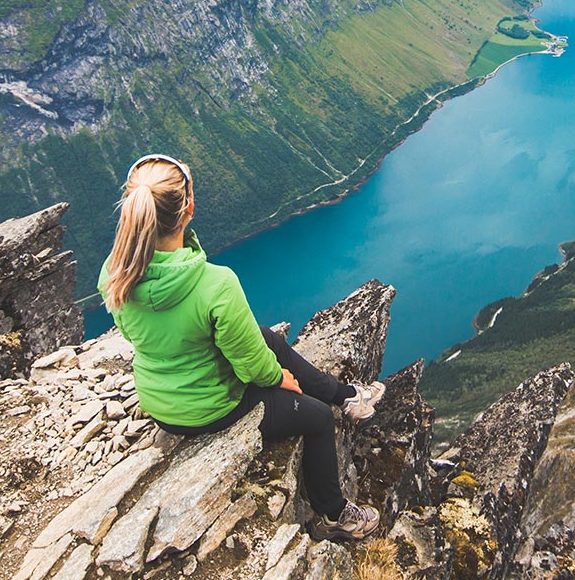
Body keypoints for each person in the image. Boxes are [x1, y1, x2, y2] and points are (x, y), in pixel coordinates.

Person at [98, 154, 388, 541]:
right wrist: (279, 379)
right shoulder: (215, 284)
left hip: (158, 402)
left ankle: (347, 395)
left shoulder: (115, 273)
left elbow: (141, 338)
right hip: (210, 409)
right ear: (189, 208)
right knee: (318, 418)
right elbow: (253, 367)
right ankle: (336, 515)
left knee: (266, 336)